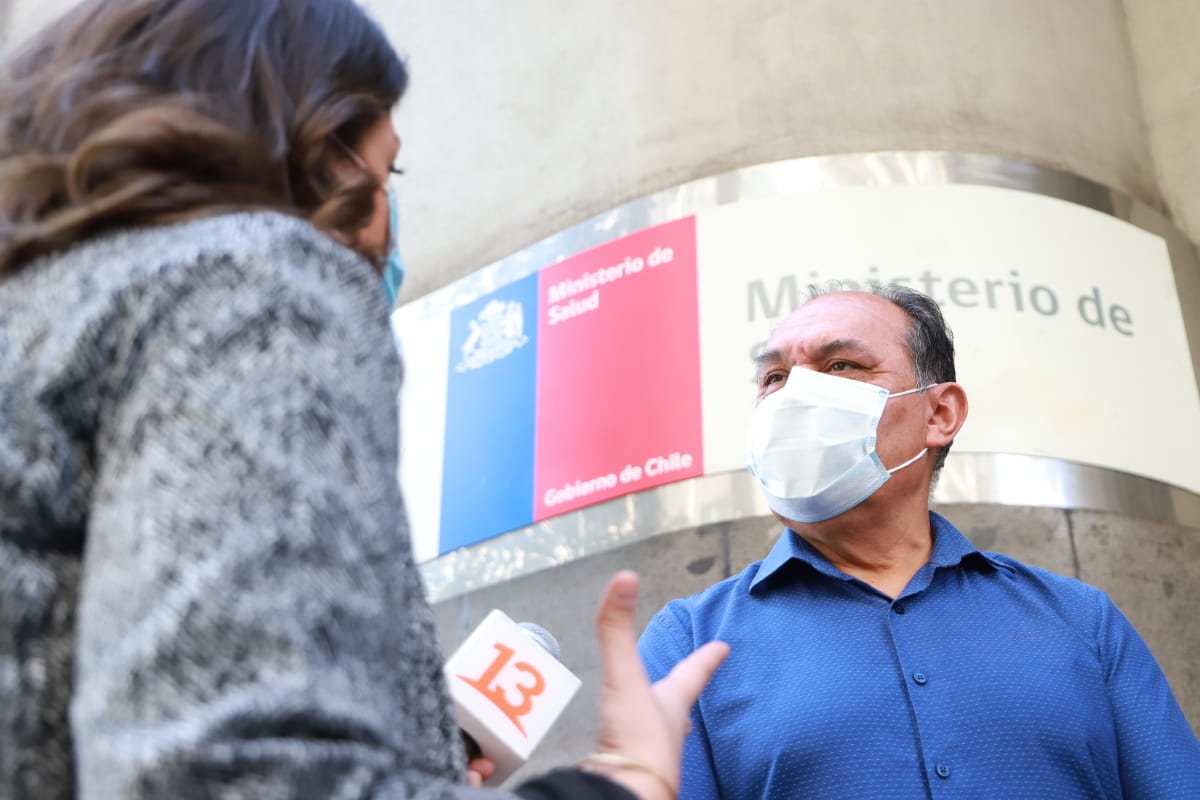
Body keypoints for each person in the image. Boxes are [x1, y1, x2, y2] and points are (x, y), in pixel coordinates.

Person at [0, 1, 727, 798]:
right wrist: (626, 780)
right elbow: (232, 773)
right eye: (387, 175)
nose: (388, 219)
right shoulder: (252, 289)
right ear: (312, 153)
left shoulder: (44, 315)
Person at [638, 283, 1200, 799]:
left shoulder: (1081, 622)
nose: (795, 396)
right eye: (775, 378)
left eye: (840, 365)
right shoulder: (688, 644)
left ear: (940, 413)